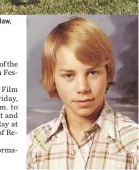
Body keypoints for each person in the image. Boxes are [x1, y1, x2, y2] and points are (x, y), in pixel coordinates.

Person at [27, 17, 138, 169]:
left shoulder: (134, 144)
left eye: (92, 73)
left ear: (108, 73)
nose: (82, 87)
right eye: (68, 75)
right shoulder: (33, 146)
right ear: (52, 78)